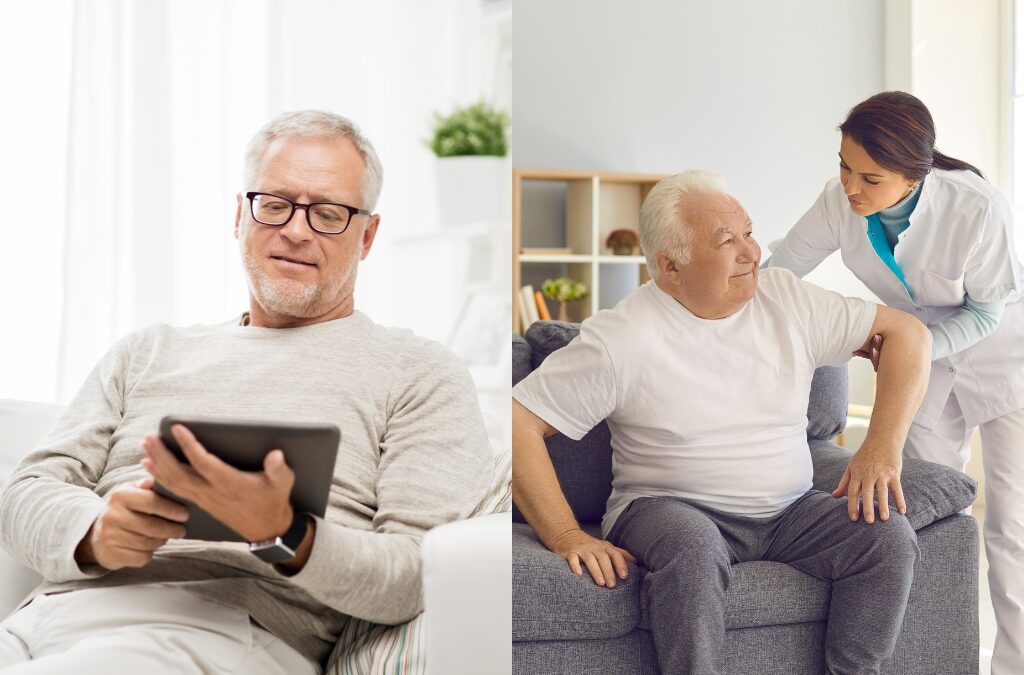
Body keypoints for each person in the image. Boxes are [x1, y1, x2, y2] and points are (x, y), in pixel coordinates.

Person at [0, 110, 494, 674]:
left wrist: (283, 532)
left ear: (367, 236)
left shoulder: (418, 371)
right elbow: (26, 491)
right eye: (276, 204)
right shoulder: (146, 351)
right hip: (40, 617)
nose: (297, 230)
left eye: (328, 213)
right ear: (240, 215)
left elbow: (415, 572)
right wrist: (95, 533)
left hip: (216, 629)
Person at [512, 170, 933, 674]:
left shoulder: (787, 299)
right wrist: (566, 535)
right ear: (671, 266)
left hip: (790, 512)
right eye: (726, 241)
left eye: (749, 233)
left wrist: (880, 447)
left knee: (886, 537)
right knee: (692, 547)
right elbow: (518, 421)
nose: (751, 252)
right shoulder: (621, 338)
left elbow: (908, 335)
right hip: (666, 508)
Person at [765, 90, 1024, 674]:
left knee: (1013, 526)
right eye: (843, 165)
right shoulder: (841, 201)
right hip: (924, 362)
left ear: (916, 175)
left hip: (1005, 356)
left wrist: (909, 348)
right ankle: (936, 660)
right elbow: (783, 269)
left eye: (870, 178)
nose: (851, 187)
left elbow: (984, 313)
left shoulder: (976, 206)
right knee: (925, 513)